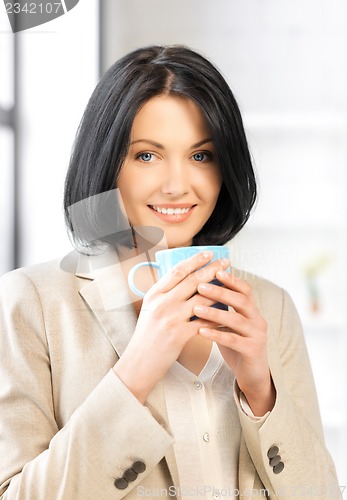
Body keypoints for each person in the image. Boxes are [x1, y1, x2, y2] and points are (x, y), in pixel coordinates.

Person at [0, 45, 341, 499]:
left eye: (201, 156)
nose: (178, 184)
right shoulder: (31, 304)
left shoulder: (270, 307)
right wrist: (137, 370)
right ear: (106, 163)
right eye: (147, 155)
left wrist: (261, 391)